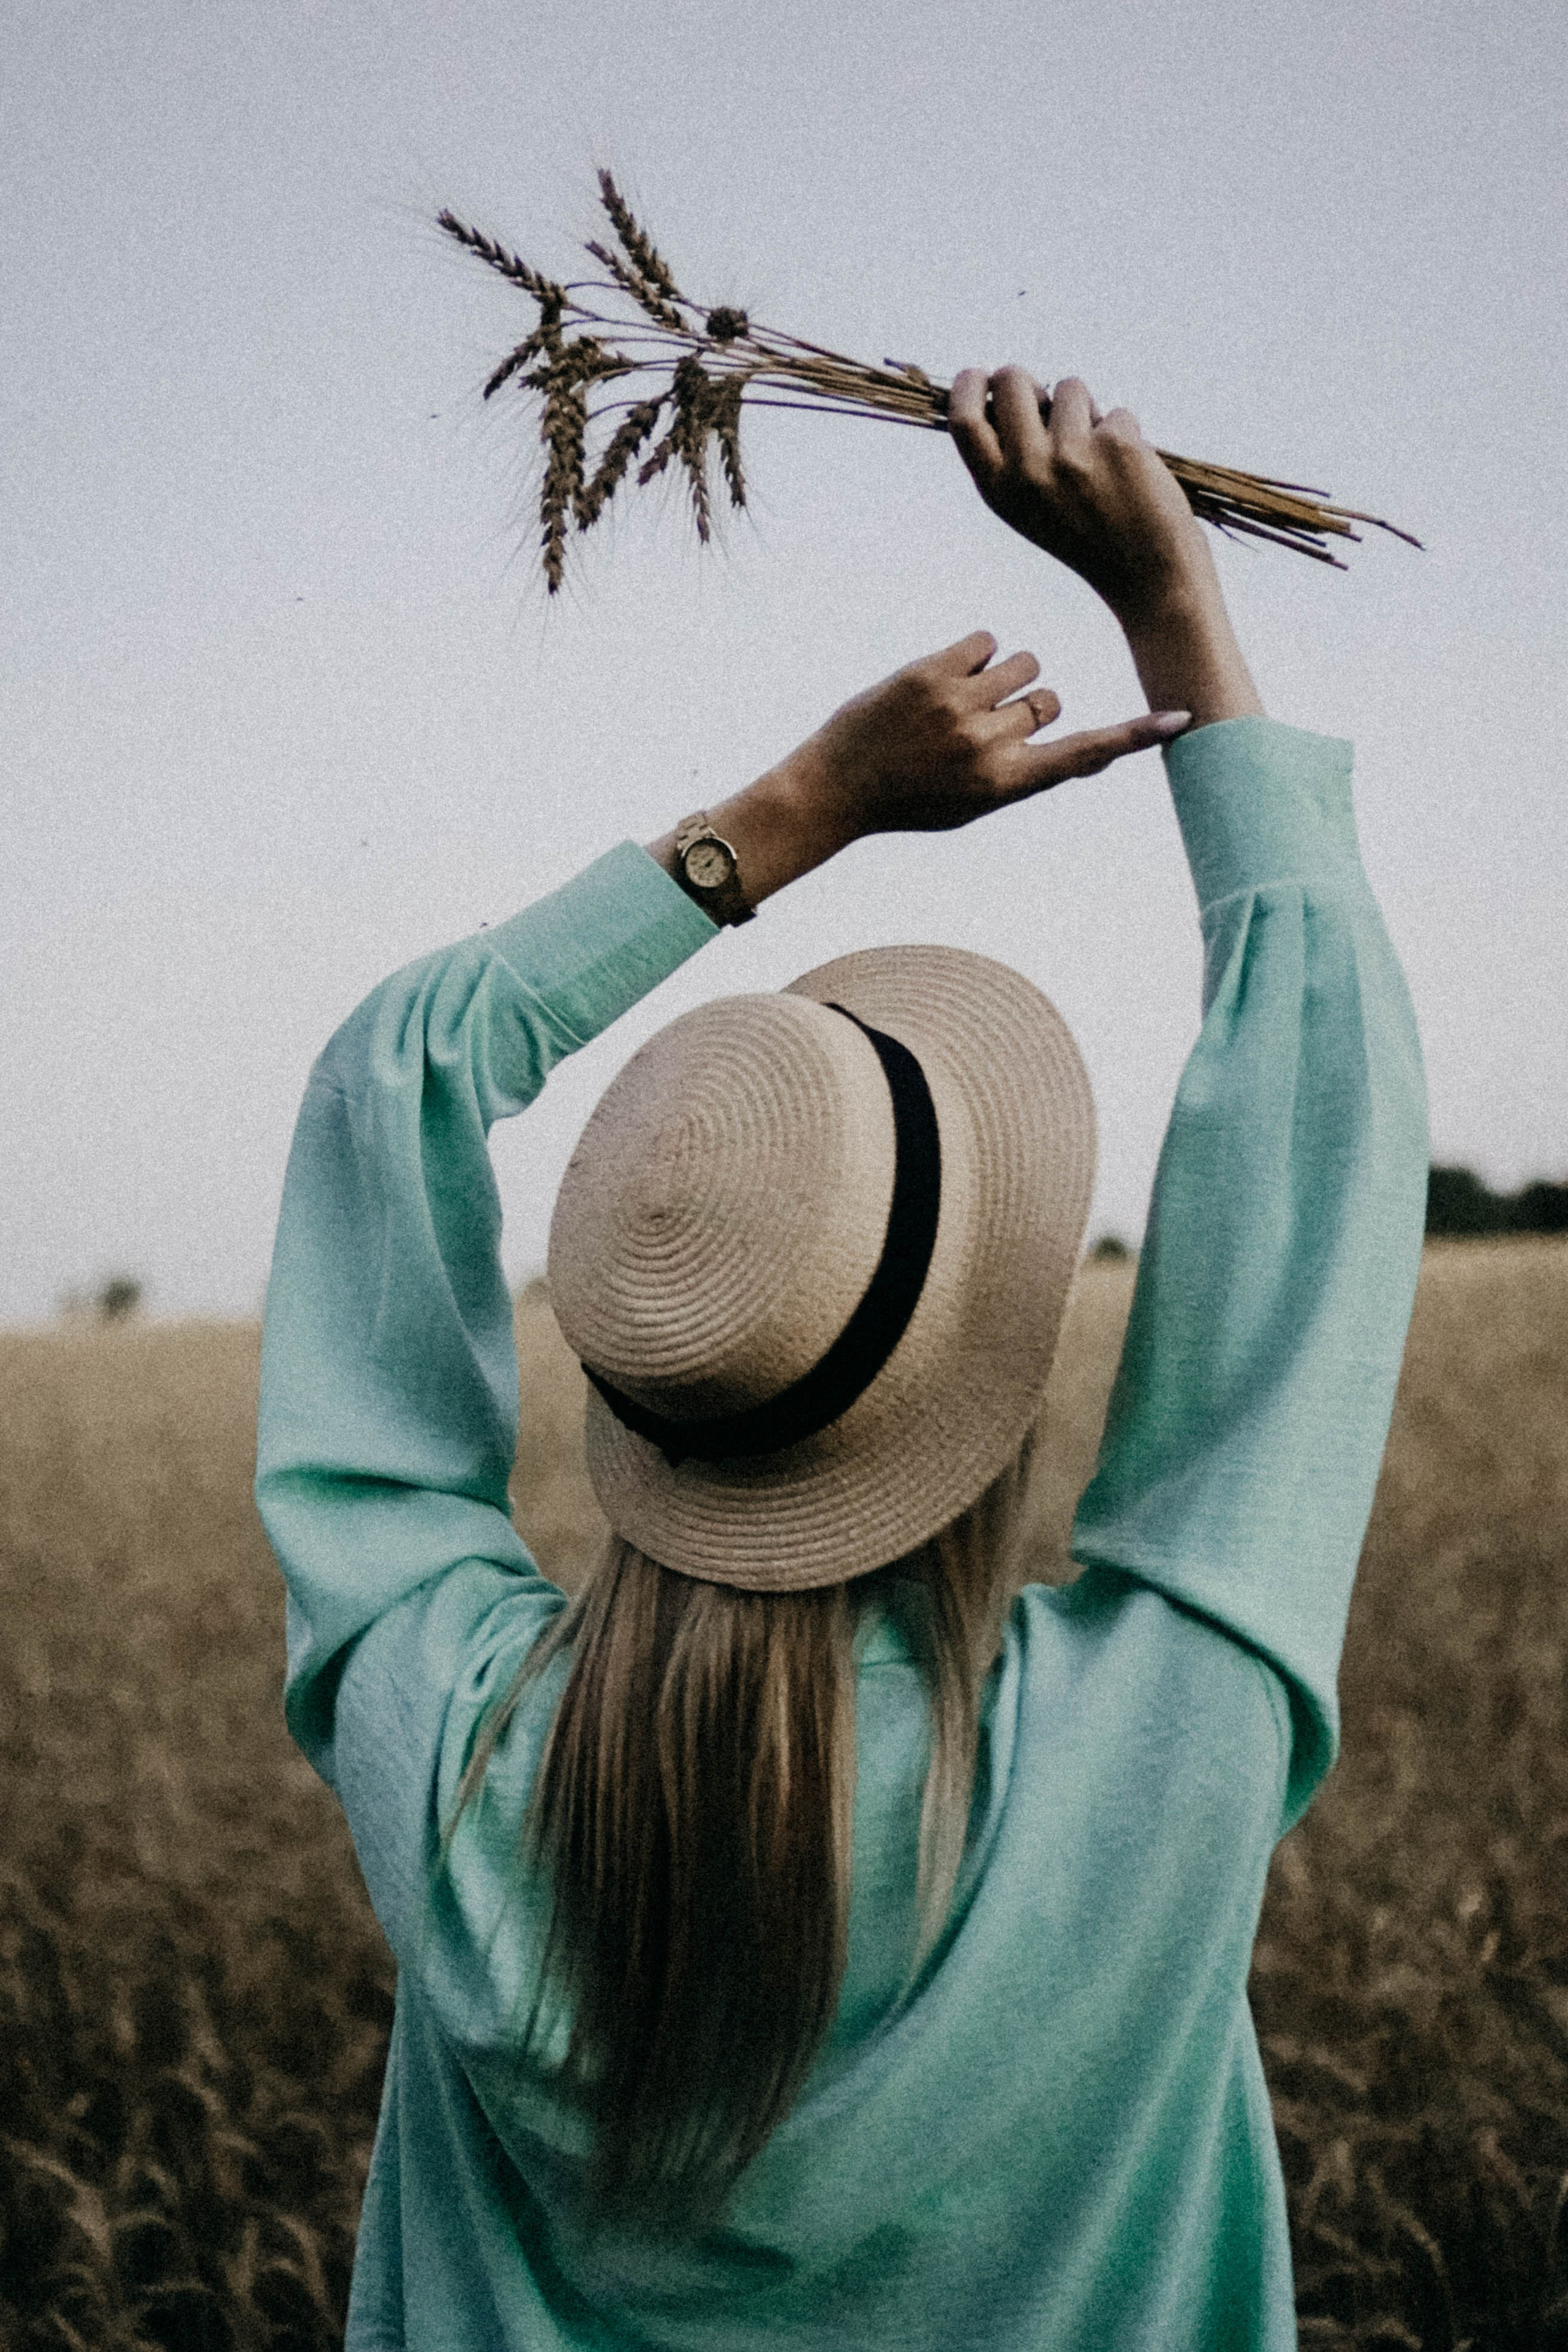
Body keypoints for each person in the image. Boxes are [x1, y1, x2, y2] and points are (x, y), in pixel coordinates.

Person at [255, 369, 1428, 2349]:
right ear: (997, 1380)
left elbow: (396, 1082)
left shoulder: (453, 1757)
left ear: (642, 1383)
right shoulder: (1158, 1742)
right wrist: (1178, 610)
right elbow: (1322, 1182)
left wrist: (788, 816)